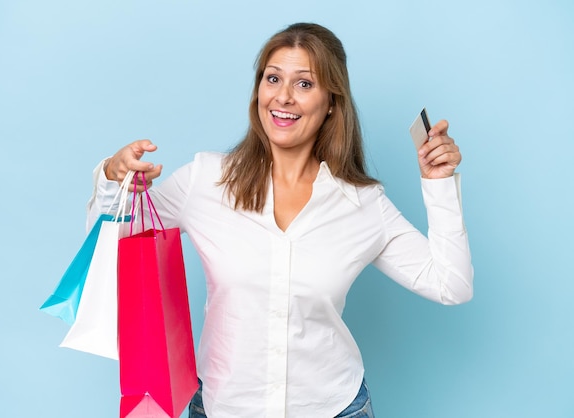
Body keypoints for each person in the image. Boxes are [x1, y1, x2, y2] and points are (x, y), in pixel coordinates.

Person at [87, 22, 473, 418]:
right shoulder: (206, 179)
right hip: (223, 407)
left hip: (334, 408)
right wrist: (112, 181)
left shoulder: (361, 203)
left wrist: (439, 185)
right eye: (273, 79)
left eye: (304, 84)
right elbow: (112, 250)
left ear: (331, 103)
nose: (283, 97)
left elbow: (451, 285)